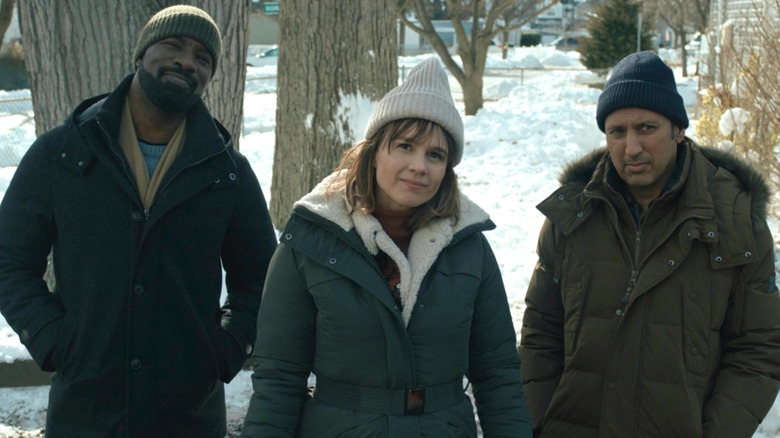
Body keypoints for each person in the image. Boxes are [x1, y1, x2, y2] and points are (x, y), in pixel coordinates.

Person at [0, 5, 277, 437]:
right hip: (86, 411)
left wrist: (224, 349)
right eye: (173, 45)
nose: (188, 61)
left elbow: (263, 279)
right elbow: (9, 261)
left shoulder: (227, 172)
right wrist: (53, 339)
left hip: (188, 415)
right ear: (140, 55)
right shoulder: (63, 154)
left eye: (203, 58)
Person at [240, 57, 532, 437]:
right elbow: (278, 378)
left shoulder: (469, 247)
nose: (419, 166)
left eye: (435, 155)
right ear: (374, 151)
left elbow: (498, 374)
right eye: (405, 146)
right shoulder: (312, 239)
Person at [519, 50, 780, 438]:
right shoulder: (573, 215)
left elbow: (758, 348)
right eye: (617, 131)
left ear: (677, 129)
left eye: (646, 128)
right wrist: (539, 423)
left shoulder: (734, 218)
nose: (631, 147)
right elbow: (541, 333)